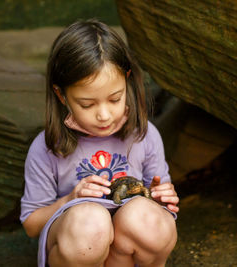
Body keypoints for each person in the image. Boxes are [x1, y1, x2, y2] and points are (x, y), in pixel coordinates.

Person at [20, 19, 179, 267]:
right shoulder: (47, 147)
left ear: (127, 80)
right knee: (90, 221)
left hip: (124, 253)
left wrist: (162, 198)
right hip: (79, 245)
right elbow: (31, 225)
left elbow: (161, 206)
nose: (104, 115)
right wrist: (70, 198)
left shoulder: (145, 136)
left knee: (146, 218)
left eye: (114, 99)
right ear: (61, 95)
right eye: (87, 104)